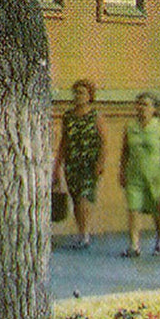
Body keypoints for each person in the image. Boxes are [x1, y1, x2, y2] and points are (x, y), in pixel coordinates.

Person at [118, 92, 160, 257]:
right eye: (139, 104)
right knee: (133, 209)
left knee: (157, 210)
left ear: (154, 109)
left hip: (156, 176)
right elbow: (124, 152)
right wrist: (121, 171)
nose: (141, 108)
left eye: (145, 104)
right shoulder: (130, 127)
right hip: (134, 175)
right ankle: (134, 245)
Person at [52, 78, 107, 249]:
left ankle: (85, 233)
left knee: (85, 197)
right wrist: (57, 165)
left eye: (82, 93)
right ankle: (81, 232)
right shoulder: (68, 116)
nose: (78, 96)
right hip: (72, 164)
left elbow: (103, 141)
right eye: (76, 92)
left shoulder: (95, 116)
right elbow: (64, 142)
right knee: (76, 199)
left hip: (89, 164)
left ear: (90, 96)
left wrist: (100, 163)